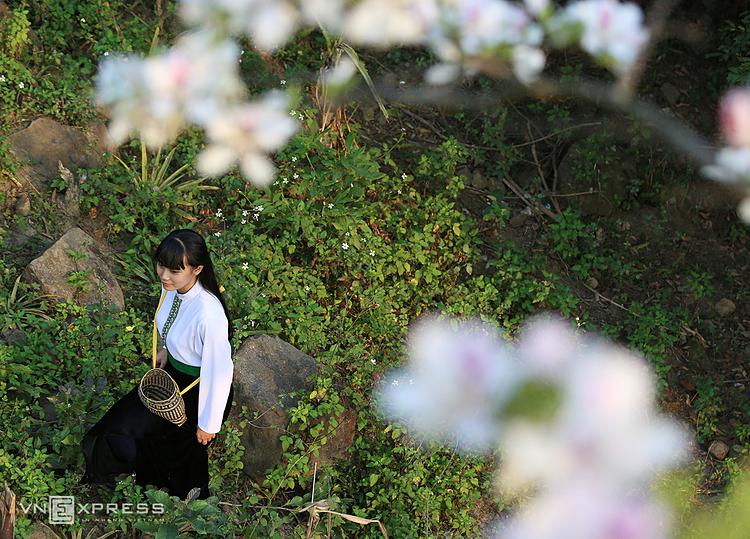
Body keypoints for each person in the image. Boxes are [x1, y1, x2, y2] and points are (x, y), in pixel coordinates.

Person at [81, 229, 234, 499]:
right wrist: (165, 348)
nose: (164, 275)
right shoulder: (174, 289)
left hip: (200, 390)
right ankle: (121, 474)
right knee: (121, 425)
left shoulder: (209, 314)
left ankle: (189, 504)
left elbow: (219, 372)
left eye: (174, 270)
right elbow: (170, 322)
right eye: (162, 265)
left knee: (181, 449)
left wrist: (208, 423)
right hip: (171, 374)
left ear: (197, 269)